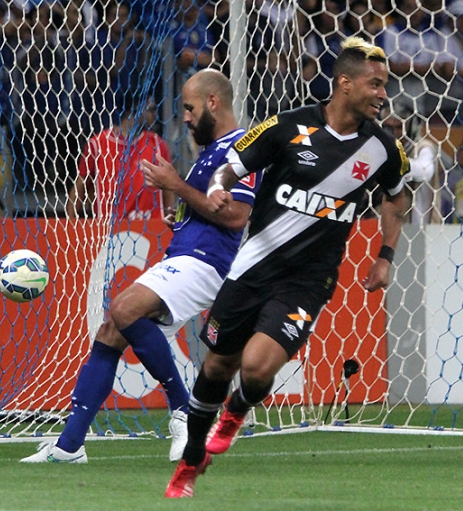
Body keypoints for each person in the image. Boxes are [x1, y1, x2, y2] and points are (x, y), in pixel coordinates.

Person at [165, 36, 408, 498]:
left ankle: (236, 412)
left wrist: (385, 257)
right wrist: (217, 187)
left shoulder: (382, 148)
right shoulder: (286, 126)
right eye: (375, 84)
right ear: (344, 83)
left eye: (384, 85)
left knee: (256, 370)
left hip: (308, 280)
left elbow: (398, 199)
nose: (382, 93)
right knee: (217, 366)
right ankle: (192, 457)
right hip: (252, 268)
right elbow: (229, 166)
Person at [20, 68, 261, 464]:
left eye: (189, 107)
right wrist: (181, 212)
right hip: (187, 253)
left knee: (123, 308)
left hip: (207, 262)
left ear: (213, 102)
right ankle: (68, 447)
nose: (184, 116)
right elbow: (208, 208)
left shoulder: (243, 149)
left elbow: (235, 217)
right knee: (111, 330)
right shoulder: (212, 153)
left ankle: (185, 409)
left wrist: (175, 184)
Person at [64, 94, 174, 220]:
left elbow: (168, 190)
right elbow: (80, 186)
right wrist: (70, 225)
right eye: (151, 110)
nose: (155, 115)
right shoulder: (98, 144)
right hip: (110, 230)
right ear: (136, 110)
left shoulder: (157, 144)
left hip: (151, 229)